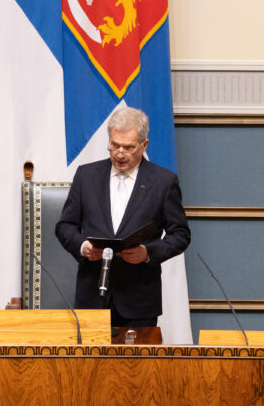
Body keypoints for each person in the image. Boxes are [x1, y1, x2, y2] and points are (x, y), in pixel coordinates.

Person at [55, 107, 190, 327]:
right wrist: (83, 247)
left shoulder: (163, 182)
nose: (119, 153)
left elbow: (181, 234)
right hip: (92, 297)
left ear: (144, 145)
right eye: (114, 145)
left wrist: (147, 252)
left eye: (128, 147)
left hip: (139, 302)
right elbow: (65, 226)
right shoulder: (86, 176)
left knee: (136, 363)